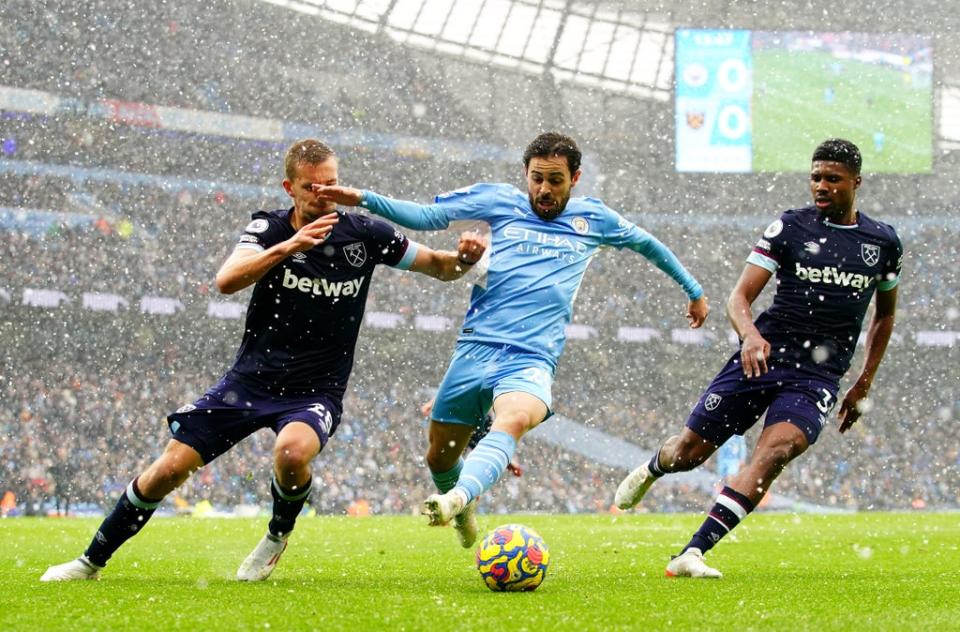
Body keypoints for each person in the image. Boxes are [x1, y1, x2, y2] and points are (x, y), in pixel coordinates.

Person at [40, 139, 487, 582]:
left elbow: (438, 266)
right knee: (167, 471)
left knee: (292, 454)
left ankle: (277, 535)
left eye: (332, 184)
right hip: (249, 381)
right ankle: (90, 562)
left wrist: (464, 260)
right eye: (312, 186)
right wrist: (289, 247)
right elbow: (226, 281)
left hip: (316, 389)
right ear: (289, 187)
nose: (324, 193)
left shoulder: (367, 233)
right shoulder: (269, 228)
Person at [312, 132, 709, 548]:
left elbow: (648, 244)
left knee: (514, 418)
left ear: (576, 178)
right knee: (439, 456)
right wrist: (360, 197)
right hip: (475, 348)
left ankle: (459, 497)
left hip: (532, 355)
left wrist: (694, 291)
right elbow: (426, 216)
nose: (544, 189)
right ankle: (462, 506)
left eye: (555, 180)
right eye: (537, 178)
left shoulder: (595, 219)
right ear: (526, 173)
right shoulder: (500, 201)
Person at [614, 138, 902, 578]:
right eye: (815, 177)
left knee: (775, 451)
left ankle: (693, 553)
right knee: (688, 453)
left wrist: (865, 379)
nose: (821, 186)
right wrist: (748, 336)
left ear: (856, 182)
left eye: (832, 179)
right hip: (761, 358)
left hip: (818, 375)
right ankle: (655, 467)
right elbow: (739, 298)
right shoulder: (789, 228)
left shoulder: (881, 243)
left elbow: (885, 316)